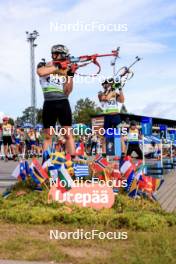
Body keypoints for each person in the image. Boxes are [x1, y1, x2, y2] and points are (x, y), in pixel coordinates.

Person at [37, 44, 76, 162]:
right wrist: (58, 66)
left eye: (56, 53)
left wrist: (70, 75)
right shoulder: (44, 64)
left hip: (63, 102)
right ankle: (46, 162)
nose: (53, 55)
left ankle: (72, 162)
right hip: (49, 103)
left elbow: (67, 91)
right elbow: (40, 72)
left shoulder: (65, 70)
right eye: (53, 53)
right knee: (48, 135)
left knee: (68, 135)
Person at [98, 78, 125, 155]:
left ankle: (123, 154)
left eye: (108, 83)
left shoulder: (114, 93)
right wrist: (111, 91)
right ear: (103, 85)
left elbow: (122, 100)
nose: (107, 85)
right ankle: (104, 156)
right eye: (105, 84)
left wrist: (120, 89)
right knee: (105, 137)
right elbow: (105, 99)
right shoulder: (100, 93)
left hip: (116, 116)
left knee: (120, 136)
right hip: (107, 117)